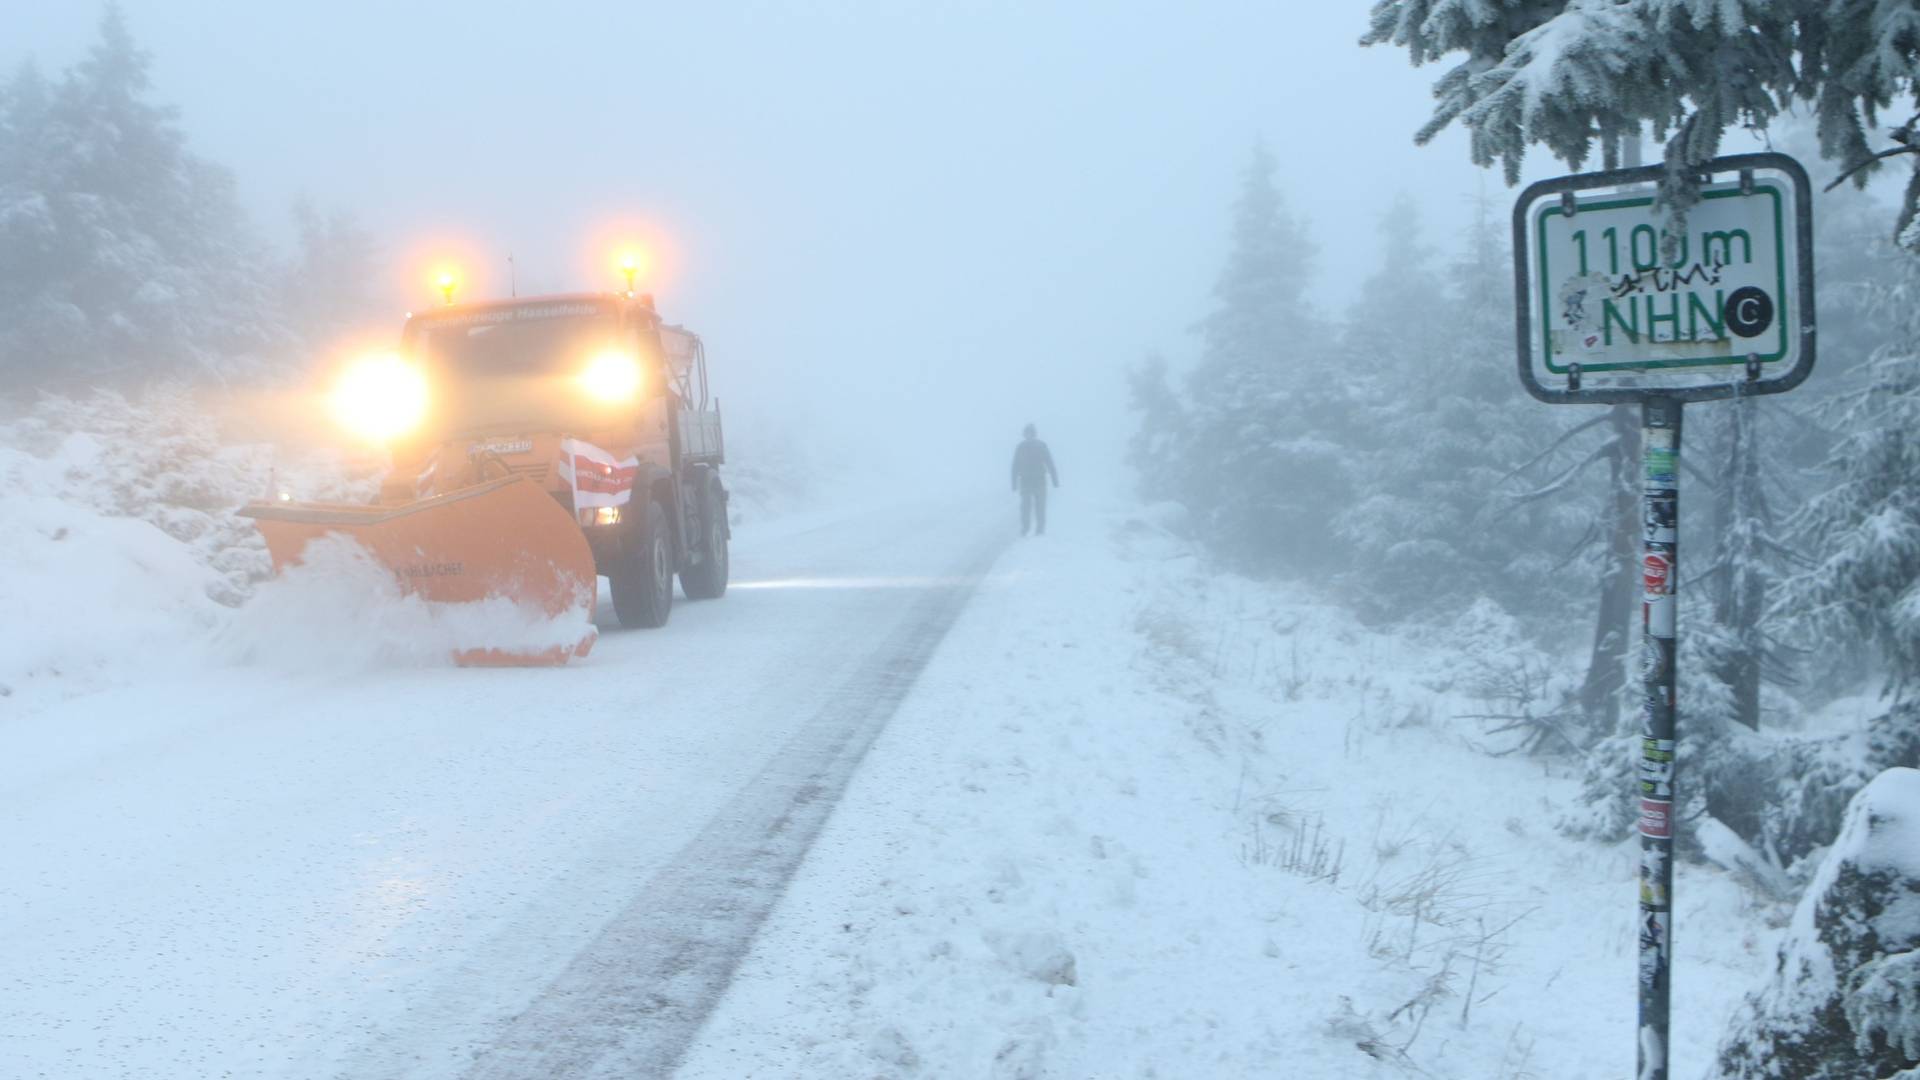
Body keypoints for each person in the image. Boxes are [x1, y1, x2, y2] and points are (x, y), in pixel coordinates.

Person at [1010, 423, 1059, 536]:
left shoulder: (1042, 446)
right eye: (1027, 433)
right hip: (1025, 482)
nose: (1029, 436)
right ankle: (1025, 529)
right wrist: (1014, 483)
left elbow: (1049, 462)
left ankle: (1040, 530)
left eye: (1031, 433)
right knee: (1025, 507)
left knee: (1040, 507)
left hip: (1040, 482)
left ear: (1034, 434)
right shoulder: (1020, 447)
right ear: (1024, 435)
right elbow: (1015, 465)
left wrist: (1055, 480)